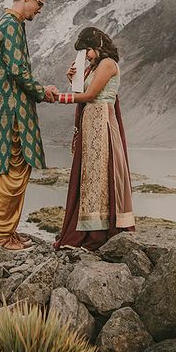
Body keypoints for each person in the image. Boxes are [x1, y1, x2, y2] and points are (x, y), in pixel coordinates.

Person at [0, 0, 59, 250]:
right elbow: (18, 71)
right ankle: (2, 237)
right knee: (10, 171)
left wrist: (40, 89)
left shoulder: (11, 25)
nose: (39, 11)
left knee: (14, 169)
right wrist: (42, 91)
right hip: (12, 111)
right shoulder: (10, 26)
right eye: (39, 4)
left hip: (11, 108)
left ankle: (9, 232)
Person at [52, 27, 135, 250]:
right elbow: (83, 92)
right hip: (91, 122)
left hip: (102, 122)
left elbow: (90, 96)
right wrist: (72, 80)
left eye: (88, 49)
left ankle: (99, 231)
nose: (86, 54)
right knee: (90, 176)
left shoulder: (108, 64)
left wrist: (60, 97)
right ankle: (90, 227)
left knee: (100, 174)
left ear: (98, 45)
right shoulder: (94, 67)